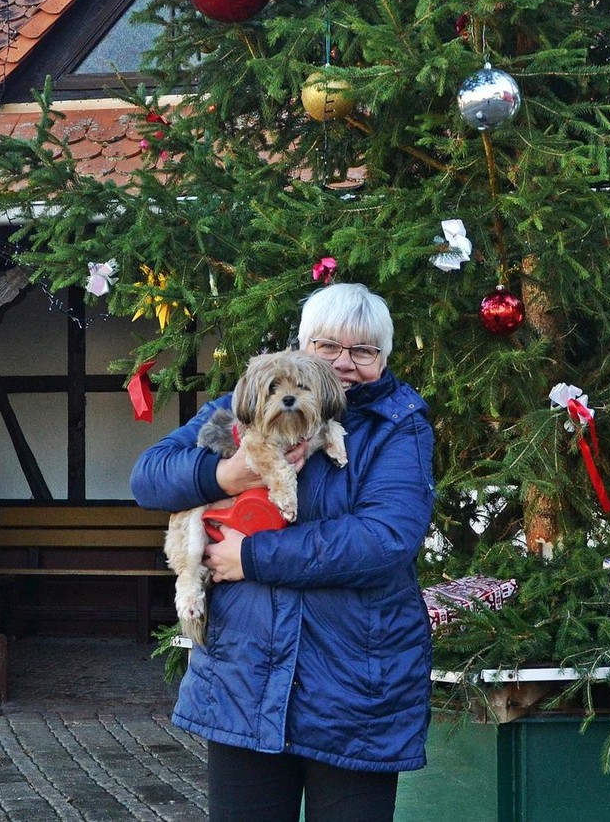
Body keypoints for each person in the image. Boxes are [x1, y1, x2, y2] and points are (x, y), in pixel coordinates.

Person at [131, 282, 435, 822]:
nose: (344, 363)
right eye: (327, 346)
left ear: (384, 357)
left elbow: (384, 539)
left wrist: (251, 558)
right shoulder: (247, 404)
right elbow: (149, 478)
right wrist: (224, 473)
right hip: (246, 679)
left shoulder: (398, 426)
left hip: (354, 688)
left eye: (363, 351)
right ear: (300, 345)